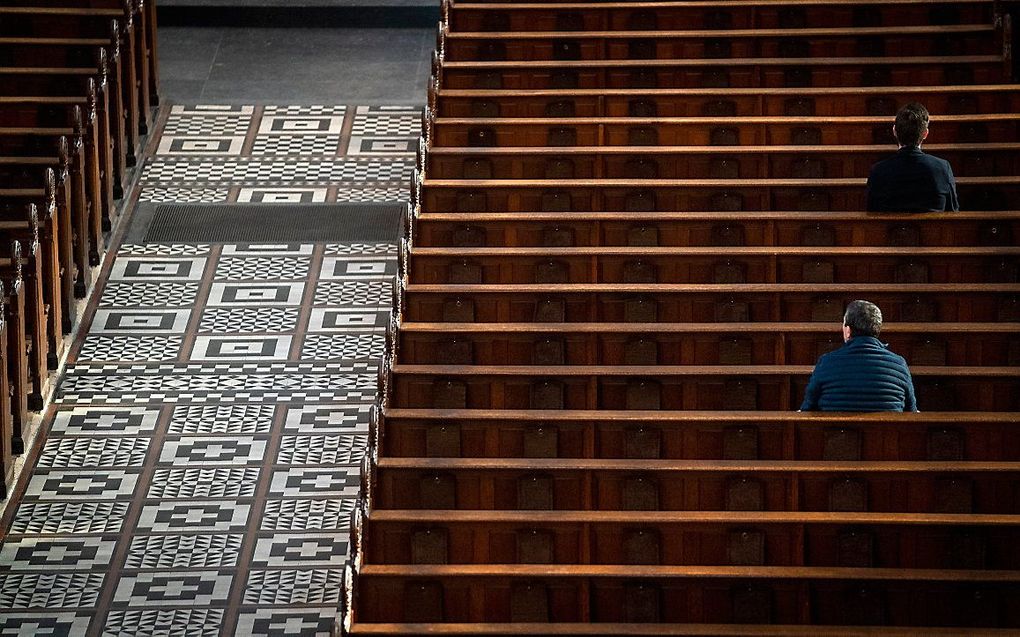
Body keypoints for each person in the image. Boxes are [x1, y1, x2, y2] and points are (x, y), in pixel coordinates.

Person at [800, 300, 917, 412]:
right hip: (888, 432)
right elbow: (911, 411)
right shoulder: (899, 364)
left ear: (848, 330)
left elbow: (808, 408)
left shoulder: (826, 362)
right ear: (877, 330)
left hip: (836, 431)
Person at [866, 102, 959, 212]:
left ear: (894, 131)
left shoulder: (878, 171)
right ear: (925, 133)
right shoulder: (942, 168)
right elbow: (952, 212)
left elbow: (872, 212)